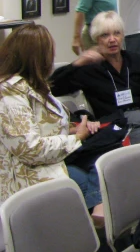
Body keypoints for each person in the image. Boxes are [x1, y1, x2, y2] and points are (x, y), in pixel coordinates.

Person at [51, 11, 140, 162]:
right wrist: (77, 63)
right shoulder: (89, 69)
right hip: (121, 126)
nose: (112, 40)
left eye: (116, 33)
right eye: (105, 35)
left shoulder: (134, 60)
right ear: (97, 39)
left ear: (122, 35)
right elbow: (54, 87)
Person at [0, 24, 101, 218]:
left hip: (51, 163)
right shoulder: (9, 95)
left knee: (102, 171)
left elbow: (37, 126)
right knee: (96, 186)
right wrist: (76, 138)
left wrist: (71, 130)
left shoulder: (33, 86)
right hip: (29, 179)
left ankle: (105, 233)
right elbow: (30, 149)